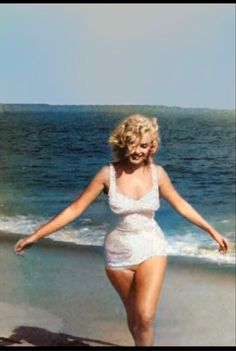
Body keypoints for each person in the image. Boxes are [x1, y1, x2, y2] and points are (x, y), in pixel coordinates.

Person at [15, 114, 229, 346]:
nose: (137, 151)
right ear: (123, 143)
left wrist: (212, 231)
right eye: (132, 144)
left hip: (151, 248)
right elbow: (74, 209)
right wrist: (36, 235)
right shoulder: (107, 175)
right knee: (135, 318)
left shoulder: (158, 174)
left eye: (144, 145)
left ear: (152, 147)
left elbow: (181, 205)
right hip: (118, 255)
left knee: (145, 316)